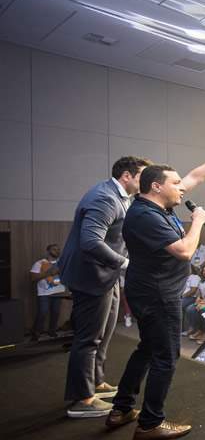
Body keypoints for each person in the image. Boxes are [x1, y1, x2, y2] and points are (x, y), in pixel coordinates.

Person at [108, 135, 205, 440]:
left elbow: (197, 175)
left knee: (147, 348)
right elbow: (184, 250)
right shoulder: (144, 215)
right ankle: (150, 423)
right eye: (176, 183)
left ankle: (121, 408)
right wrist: (197, 220)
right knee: (167, 357)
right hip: (158, 295)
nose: (184, 187)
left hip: (150, 290)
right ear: (157, 186)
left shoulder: (158, 205)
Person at [59, 155, 150, 418]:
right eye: (142, 176)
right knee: (88, 338)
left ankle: (96, 383)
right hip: (90, 277)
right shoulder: (105, 198)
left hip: (106, 275)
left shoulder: (123, 196)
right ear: (127, 176)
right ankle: (82, 399)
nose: (146, 181)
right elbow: (90, 241)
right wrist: (125, 263)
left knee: (105, 332)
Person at [30, 243, 66, 341]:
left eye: (58, 249)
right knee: (43, 312)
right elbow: (33, 278)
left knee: (55, 313)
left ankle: (52, 331)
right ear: (48, 251)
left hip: (58, 292)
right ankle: (36, 332)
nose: (57, 251)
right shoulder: (39, 263)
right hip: (44, 293)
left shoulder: (62, 263)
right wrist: (49, 273)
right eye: (54, 249)